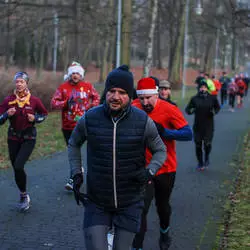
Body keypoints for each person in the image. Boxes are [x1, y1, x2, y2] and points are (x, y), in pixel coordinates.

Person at [68, 65, 166, 250]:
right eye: (112, 91)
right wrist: (76, 172)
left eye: (122, 92)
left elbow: (160, 150)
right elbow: (74, 143)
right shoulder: (90, 118)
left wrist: (150, 171)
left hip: (130, 200)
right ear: (106, 92)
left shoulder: (143, 121)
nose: (115, 97)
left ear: (130, 95)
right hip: (97, 201)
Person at [132, 77, 192, 250]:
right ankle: (137, 245)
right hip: (143, 169)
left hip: (166, 168)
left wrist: (165, 132)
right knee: (140, 208)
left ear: (156, 94)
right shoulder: (133, 108)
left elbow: (188, 134)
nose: (145, 102)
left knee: (162, 206)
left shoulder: (169, 109)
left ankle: (164, 232)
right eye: (142, 98)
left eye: (148, 98)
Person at [0, 72, 48, 211]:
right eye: (17, 82)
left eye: (22, 81)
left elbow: (44, 114)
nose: (19, 84)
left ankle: (24, 196)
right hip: (13, 137)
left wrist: (36, 119)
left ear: (26, 83)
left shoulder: (34, 100)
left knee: (19, 165)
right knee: (16, 167)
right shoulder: (8, 100)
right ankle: (23, 195)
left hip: (28, 137)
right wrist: (5, 115)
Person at [51, 61, 100, 190]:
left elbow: (97, 98)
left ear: (81, 75)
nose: (75, 75)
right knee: (73, 153)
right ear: (70, 75)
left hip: (85, 124)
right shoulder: (63, 88)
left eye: (78, 73)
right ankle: (75, 176)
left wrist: (90, 107)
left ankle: (94, 177)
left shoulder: (88, 86)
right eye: (73, 73)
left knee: (93, 150)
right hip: (68, 126)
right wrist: (65, 103)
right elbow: (54, 103)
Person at [185, 81, 220, 170]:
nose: (202, 89)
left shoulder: (212, 98)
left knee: (207, 144)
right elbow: (188, 109)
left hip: (209, 125)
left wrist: (214, 112)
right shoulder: (194, 99)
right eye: (201, 87)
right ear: (199, 88)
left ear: (207, 88)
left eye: (204, 87)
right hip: (198, 126)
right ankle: (200, 163)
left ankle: (207, 157)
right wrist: (191, 111)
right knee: (198, 145)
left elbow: (217, 107)